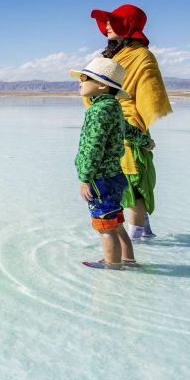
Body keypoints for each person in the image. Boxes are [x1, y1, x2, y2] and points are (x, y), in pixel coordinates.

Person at [89, 4, 172, 240]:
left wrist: (139, 133)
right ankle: (144, 234)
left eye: (112, 21)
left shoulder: (142, 56)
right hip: (111, 125)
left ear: (128, 25)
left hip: (130, 126)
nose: (106, 26)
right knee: (120, 182)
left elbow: (148, 93)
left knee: (133, 186)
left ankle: (135, 244)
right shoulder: (114, 55)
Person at [71, 58, 136, 270]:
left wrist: (85, 178)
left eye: (84, 78)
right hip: (115, 175)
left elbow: (92, 148)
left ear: (102, 85)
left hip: (100, 178)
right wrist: (146, 142)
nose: (80, 82)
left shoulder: (97, 111)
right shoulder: (113, 107)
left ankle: (112, 267)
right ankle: (127, 260)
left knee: (105, 227)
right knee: (116, 223)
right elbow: (129, 129)